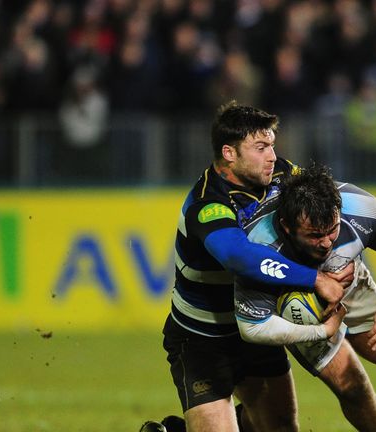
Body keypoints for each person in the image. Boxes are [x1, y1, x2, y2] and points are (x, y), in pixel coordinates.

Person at [145, 102, 352, 432]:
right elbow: (239, 258)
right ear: (229, 153)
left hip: (256, 324)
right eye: (260, 148)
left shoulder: (284, 174)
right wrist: (314, 279)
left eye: (271, 145)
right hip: (203, 338)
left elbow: (327, 203)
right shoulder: (207, 203)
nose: (272, 155)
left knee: (281, 426)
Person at [234, 164, 376, 432]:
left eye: (332, 230)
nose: (326, 242)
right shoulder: (259, 248)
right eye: (314, 235)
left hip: (344, 275)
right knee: (351, 388)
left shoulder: (361, 208)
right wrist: (322, 330)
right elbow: (252, 326)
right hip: (281, 300)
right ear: (287, 227)